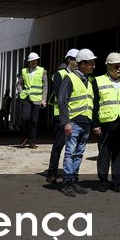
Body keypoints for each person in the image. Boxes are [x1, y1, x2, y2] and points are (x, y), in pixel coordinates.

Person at [57, 48, 98, 197]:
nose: (94, 66)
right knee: (70, 152)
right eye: (91, 63)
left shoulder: (89, 80)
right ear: (82, 64)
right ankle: (67, 183)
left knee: (79, 153)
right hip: (73, 122)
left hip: (85, 122)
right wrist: (66, 122)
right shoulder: (70, 78)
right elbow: (62, 101)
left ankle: (74, 180)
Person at [92, 52, 120, 193]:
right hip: (105, 124)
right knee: (104, 154)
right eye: (116, 66)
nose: (119, 69)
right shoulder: (98, 81)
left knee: (119, 155)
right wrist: (95, 124)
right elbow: (94, 105)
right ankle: (103, 181)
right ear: (108, 66)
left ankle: (117, 183)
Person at [46, 49, 79, 184]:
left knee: (74, 148)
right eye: (75, 60)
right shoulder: (59, 75)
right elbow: (62, 95)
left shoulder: (78, 76)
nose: (77, 63)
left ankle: (71, 174)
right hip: (61, 115)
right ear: (68, 60)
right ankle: (52, 173)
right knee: (59, 145)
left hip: (76, 114)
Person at [15, 52, 47, 149]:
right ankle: (24, 138)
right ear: (29, 62)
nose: (33, 62)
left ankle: (32, 141)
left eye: (35, 60)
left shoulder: (42, 71)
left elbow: (45, 86)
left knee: (34, 121)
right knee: (26, 118)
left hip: (37, 99)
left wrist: (44, 99)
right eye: (32, 61)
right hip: (27, 98)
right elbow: (18, 83)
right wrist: (21, 92)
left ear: (37, 61)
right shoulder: (24, 71)